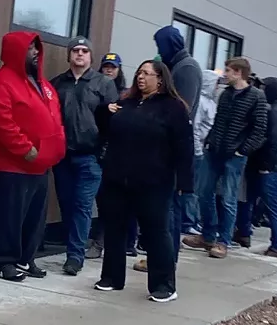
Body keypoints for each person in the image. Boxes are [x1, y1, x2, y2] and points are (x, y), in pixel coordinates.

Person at [94, 60, 194, 303]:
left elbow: (184, 146)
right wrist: (105, 111)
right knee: (115, 228)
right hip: (118, 177)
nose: (141, 77)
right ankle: (111, 278)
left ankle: (164, 285)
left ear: (160, 79)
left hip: (153, 181)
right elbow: (104, 126)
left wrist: (185, 181)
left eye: (147, 74)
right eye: (139, 72)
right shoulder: (126, 102)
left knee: (156, 232)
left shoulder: (173, 108)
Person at [0, 32, 67, 281]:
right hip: (11, 164)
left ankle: (24, 258)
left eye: (36, 48)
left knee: (34, 217)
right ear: (16, 51)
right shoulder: (2, 83)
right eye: (30, 48)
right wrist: (27, 150)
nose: (35, 53)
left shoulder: (44, 84)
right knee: (9, 216)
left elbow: (55, 116)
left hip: (41, 164)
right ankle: (2, 262)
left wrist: (57, 143)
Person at [182, 57, 267, 259]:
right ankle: (208, 235)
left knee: (229, 198)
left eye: (228, 70)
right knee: (204, 192)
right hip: (215, 150)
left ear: (238, 72)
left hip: (235, 156)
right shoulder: (226, 95)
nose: (225, 74)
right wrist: (210, 141)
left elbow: (259, 129)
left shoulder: (256, 97)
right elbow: (218, 121)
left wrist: (243, 150)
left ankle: (223, 241)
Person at [50, 37, 119, 276]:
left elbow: (114, 122)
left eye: (85, 51)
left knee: (82, 205)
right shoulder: (57, 83)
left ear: (90, 57)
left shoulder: (104, 84)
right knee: (67, 205)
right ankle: (75, 246)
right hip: (62, 156)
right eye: (76, 50)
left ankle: (75, 256)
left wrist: (104, 154)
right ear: (69, 55)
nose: (80, 54)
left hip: (90, 157)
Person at [143, 26, 201, 271]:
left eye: (160, 45)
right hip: (166, 147)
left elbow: (181, 108)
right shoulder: (178, 65)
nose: (158, 51)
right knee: (164, 208)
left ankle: (166, 260)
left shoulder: (186, 68)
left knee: (170, 210)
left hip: (173, 148)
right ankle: (162, 257)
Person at [86, 52, 138, 260]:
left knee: (118, 201)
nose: (109, 70)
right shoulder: (95, 90)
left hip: (119, 155)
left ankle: (119, 242)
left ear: (119, 70)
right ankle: (97, 241)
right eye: (106, 66)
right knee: (100, 199)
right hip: (98, 151)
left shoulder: (126, 96)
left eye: (113, 67)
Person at [234, 77, 277, 258]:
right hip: (261, 164)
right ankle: (243, 233)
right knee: (246, 199)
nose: (261, 89)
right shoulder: (271, 110)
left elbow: (272, 141)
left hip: (271, 166)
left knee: (274, 206)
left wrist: (266, 164)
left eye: (265, 87)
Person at [183, 70, 221, 235]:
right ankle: (188, 221)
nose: (218, 87)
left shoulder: (212, 103)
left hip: (205, 150)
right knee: (193, 189)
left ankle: (195, 219)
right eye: (216, 83)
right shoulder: (202, 103)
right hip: (198, 151)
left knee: (201, 189)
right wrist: (197, 151)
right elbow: (195, 128)